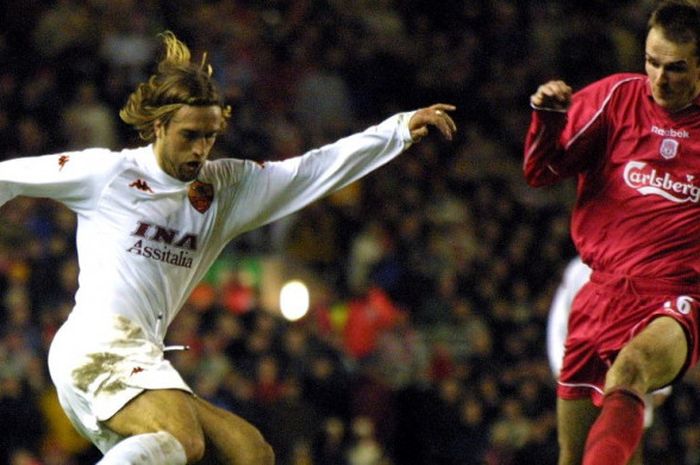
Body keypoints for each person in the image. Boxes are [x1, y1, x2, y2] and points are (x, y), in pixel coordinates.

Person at [0, 31, 457, 465]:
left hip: (142, 354)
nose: (201, 150)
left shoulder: (225, 188)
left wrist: (396, 131)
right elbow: (9, 177)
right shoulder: (107, 175)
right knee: (185, 439)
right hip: (96, 344)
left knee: (249, 451)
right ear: (159, 126)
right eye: (189, 135)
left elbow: (311, 171)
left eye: (210, 136)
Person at [525, 1, 700, 463]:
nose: (661, 78)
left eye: (677, 67)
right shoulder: (616, 98)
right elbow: (541, 172)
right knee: (574, 452)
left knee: (632, 370)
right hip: (599, 293)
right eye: (652, 62)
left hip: (674, 296)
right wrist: (548, 120)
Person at [546, 256, 672, 465]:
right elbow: (560, 322)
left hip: (632, 372)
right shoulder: (580, 269)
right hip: (585, 373)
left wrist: (662, 385)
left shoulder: (651, 264)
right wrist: (563, 370)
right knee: (577, 450)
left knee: (628, 449)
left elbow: (664, 322)